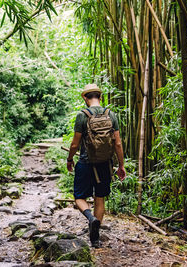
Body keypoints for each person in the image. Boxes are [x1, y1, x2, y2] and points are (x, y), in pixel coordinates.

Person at [66, 83, 126, 248]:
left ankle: (91, 219)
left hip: (85, 162)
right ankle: (95, 240)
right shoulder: (110, 115)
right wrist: (121, 165)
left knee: (79, 197)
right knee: (100, 198)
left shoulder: (82, 115)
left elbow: (74, 144)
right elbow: (118, 144)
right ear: (100, 97)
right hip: (105, 164)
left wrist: (70, 159)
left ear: (85, 98)